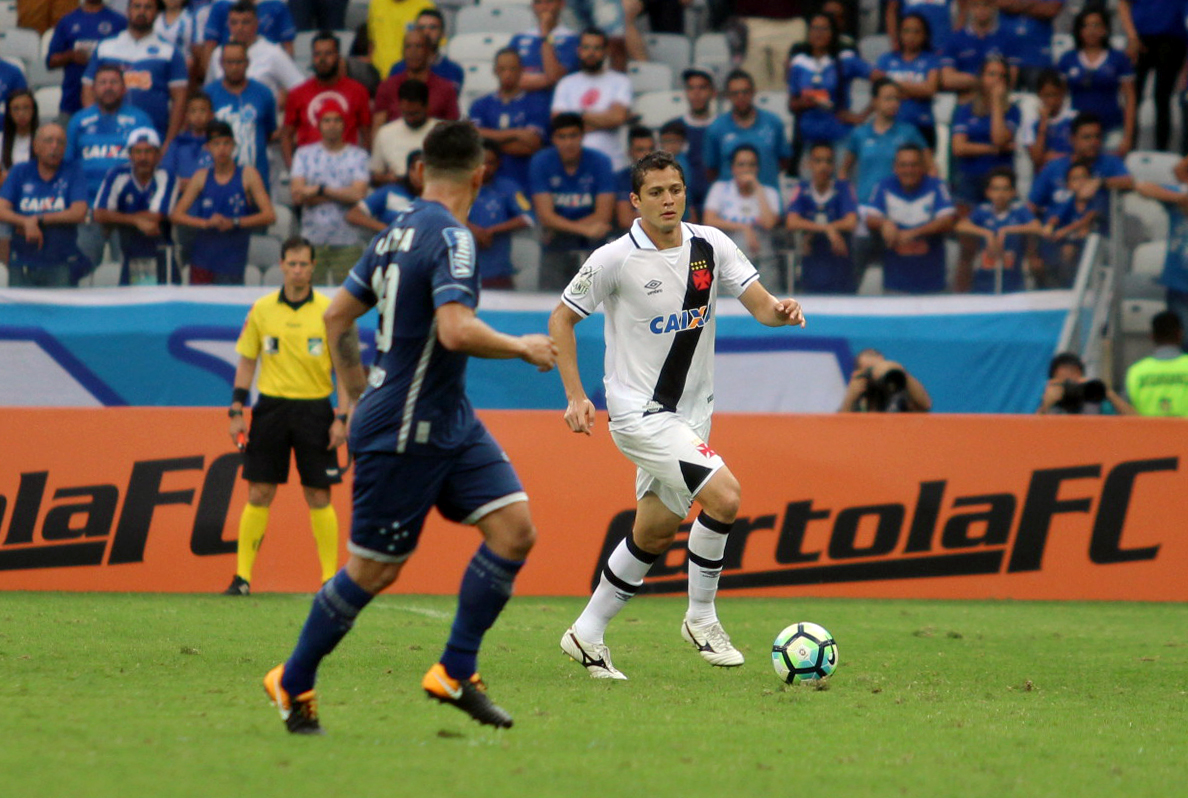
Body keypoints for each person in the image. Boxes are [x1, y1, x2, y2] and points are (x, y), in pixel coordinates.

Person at [263, 120, 559, 733]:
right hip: (404, 424)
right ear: (480, 175)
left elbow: (337, 316)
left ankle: (455, 670)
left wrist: (353, 395)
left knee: (514, 531)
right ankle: (292, 679)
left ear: (421, 171)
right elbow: (455, 330)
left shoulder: (393, 232)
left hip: (447, 417)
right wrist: (521, 347)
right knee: (374, 570)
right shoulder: (454, 237)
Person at [550, 149, 806, 680]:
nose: (668, 200)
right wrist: (575, 396)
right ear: (635, 201)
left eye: (675, 189)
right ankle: (701, 618)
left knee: (653, 532)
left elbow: (762, 305)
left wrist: (782, 312)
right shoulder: (615, 258)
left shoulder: (710, 245)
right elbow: (561, 319)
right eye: (656, 192)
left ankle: (586, 633)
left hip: (692, 416)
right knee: (726, 496)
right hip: (641, 414)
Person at [223, 237, 345, 597]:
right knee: (259, 491)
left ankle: (330, 580)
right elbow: (247, 361)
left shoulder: (329, 311)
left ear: (313, 267)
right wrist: (236, 410)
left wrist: (342, 417)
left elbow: (344, 369)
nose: (298, 270)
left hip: (315, 408)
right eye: (292, 264)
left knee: (318, 494)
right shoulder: (262, 310)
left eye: (304, 264)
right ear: (281, 265)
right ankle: (242, 578)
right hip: (271, 409)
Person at [66, 65, 155, 274]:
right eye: (103, 83)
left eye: (114, 82)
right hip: (89, 212)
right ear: (93, 88)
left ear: (124, 88)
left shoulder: (140, 120)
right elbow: (68, 167)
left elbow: (151, 165)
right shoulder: (78, 121)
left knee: (133, 274)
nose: (108, 87)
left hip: (129, 214)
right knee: (80, 273)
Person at [170, 119, 276, 284]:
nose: (222, 149)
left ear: (233, 145)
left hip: (233, 262)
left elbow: (269, 215)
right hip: (202, 260)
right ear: (208, 147)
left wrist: (235, 222)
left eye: (226, 143)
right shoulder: (201, 177)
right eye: (216, 144)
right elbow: (176, 215)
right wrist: (205, 223)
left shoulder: (248, 175)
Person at [528, 112, 615, 291]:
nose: (568, 143)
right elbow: (545, 217)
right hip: (556, 247)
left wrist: (558, 227)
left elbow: (603, 215)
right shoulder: (541, 162)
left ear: (582, 136)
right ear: (553, 139)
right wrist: (585, 229)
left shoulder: (601, 162)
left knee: (597, 301)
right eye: (562, 137)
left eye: (573, 136)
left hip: (592, 247)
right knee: (548, 301)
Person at [83, 0, 189, 143]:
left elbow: (180, 99)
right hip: (109, 136)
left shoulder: (170, 52)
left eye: (148, 7)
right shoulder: (105, 47)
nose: (142, 11)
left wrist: (169, 144)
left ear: (157, 13)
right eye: (137, 6)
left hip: (153, 137)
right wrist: (96, 123)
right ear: (128, 11)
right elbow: (88, 88)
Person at [0, 123, 89, 287]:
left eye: (60, 142)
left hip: (61, 262)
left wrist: (38, 219)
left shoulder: (74, 171)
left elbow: (79, 212)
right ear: (36, 146)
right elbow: (1, 209)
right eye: (49, 140)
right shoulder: (20, 171)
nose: (55, 146)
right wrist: (25, 222)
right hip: (21, 262)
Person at [290, 103, 370, 284]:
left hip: (348, 240)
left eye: (337, 120)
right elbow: (298, 196)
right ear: (318, 125)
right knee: (311, 293)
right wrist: (343, 195)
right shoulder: (304, 154)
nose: (332, 125)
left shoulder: (358, 156)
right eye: (326, 120)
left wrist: (319, 190)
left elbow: (359, 195)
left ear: (344, 124)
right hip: (312, 239)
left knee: (347, 294)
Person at [862, 143, 956, 294]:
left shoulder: (936, 185)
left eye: (914, 165)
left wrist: (911, 234)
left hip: (932, 285)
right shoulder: (884, 185)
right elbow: (870, 218)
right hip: (895, 284)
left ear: (923, 167)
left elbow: (948, 220)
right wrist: (884, 223)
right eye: (903, 165)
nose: (909, 170)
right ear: (895, 167)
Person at [92, 127, 179, 285]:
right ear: (130, 155)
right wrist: (137, 221)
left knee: (165, 299)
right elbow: (99, 214)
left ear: (158, 155)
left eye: (148, 151)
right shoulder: (117, 174)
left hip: (161, 253)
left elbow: (156, 216)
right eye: (137, 152)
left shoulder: (166, 175)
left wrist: (117, 216)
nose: (143, 157)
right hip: (129, 254)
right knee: (129, 298)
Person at [787, 12, 871, 166]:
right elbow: (792, 104)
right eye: (815, 28)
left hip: (839, 138)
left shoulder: (845, 59)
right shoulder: (799, 62)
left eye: (824, 28)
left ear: (833, 32)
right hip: (809, 140)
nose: (818, 33)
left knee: (841, 180)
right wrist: (807, 102)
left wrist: (861, 116)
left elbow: (882, 82)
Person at [282, 30, 372, 170]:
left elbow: (367, 135)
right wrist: (293, 169)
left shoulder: (358, 91)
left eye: (328, 53)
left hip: (346, 168)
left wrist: (361, 166)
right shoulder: (297, 93)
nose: (322, 59)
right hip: (309, 169)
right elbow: (286, 136)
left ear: (338, 57)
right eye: (317, 54)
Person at [468, 48, 550, 197]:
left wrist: (489, 144)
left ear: (522, 70)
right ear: (495, 71)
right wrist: (517, 133)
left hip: (524, 182)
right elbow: (472, 138)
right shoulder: (480, 105)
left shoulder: (537, 103)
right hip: (486, 187)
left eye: (513, 69)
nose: (507, 74)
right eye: (502, 69)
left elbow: (532, 144)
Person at [1056, 6, 1135, 157]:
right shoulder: (1067, 59)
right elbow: (1059, 96)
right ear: (1079, 30)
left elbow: (1130, 99)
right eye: (1086, 26)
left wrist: (1128, 136)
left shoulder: (1119, 59)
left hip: (1112, 129)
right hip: (1079, 132)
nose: (1091, 31)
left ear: (1105, 29)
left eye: (1096, 25)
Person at [1028, 112, 1133, 227]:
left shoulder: (1110, 162)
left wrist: (1100, 182)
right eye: (1087, 137)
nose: (1093, 142)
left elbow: (1128, 182)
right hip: (1055, 232)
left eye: (1097, 136)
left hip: (1096, 231)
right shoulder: (1054, 167)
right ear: (1072, 139)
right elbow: (1032, 205)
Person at [550, 27, 633, 171]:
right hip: (575, 167)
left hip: (612, 164)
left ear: (606, 51)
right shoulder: (566, 83)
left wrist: (578, 117)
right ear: (579, 50)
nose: (591, 53)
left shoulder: (620, 81)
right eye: (586, 48)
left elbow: (617, 117)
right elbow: (559, 123)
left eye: (597, 48)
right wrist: (605, 120)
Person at [702, 144, 783, 288]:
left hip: (763, 262)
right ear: (733, 168)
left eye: (751, 165)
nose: (746, 169)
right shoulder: (719, 189)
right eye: (741, 164)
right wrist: (744, 228)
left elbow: (769, 223)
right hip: (727, 265)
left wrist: (757, 188)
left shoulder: (769, 193)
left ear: (758, 168)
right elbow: (709, 220)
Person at [841, 78, 928, 211]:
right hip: (865, 205)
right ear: (875, 101)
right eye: (888, 99)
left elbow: (930, 167)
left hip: (899, 206)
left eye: (896, 99)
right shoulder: (860, 134)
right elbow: (843, 170)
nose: (894, 104)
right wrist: (848, 197)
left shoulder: (909, 132)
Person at [785, 141, 859, 294]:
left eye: (828, 161)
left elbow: (851, 221)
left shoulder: (843, 188)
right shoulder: (802, 189)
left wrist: (827, 228)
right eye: (818, 161)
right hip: (811, 265)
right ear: (809, 164)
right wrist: (827, 229)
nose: (823, 166)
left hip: (840, 267)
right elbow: (791, 222)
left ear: (834, 165)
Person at [949, 55, 1019, 213]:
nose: (997, 80)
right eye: (991, 74)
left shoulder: (1013, 110)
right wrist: (994, 149)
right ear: (981, 78)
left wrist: (996, 103)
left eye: (1002, 76)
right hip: (970, 176)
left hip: (1000, 179)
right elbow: (959, 148)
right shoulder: (966, 109)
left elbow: (999, 139)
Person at [954, 166, 1040, 293]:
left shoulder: (1018, 211)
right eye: (996, 189)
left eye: (1005, 189)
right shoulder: (982, 211)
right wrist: (987, 234)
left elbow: (1036, 226)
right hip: (983, 283)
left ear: (1013, 192)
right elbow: (961, 226)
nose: (1000, 194)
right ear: (988, 192)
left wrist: (1007, 230)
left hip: (1013, 283)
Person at [206, 41, 277, 191]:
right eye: (229, 62)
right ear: (221, 64)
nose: (234, 67)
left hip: (257, 182)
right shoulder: (208, 94)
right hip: (217, 182)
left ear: (247, 63)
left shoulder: (264, 93)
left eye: (239, 62)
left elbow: (269, 133)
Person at [705, 69, 790, 190]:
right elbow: (711, 170)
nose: (741, 97)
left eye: (745, 92)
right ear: (728, 96)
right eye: (735, 93)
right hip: (730, 199)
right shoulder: (716, 128)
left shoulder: (773, 123)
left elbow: (784, 160)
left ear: (753, 92)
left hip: (766, 196)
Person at [1119, 0, 1185, 152]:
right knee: (1133, 97)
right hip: (1141, 38)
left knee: (1162, 98)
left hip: (1172, 38)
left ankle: (1162, 152)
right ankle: (1129, 146)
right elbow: (1123, 3)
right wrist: (1132, 36)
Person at [205, 2, 305, 104]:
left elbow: (300, 87)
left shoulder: (273, 53)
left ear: (256, 24)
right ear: (228, 25)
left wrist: (285, 94)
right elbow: (208, 91)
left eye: (245, 22)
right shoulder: (218, 54)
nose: (239, 28)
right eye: (234, 23)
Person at [467, 140, 533, 290]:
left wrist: (491, 231)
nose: (484, 167)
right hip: (463, 275)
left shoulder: (509, 187)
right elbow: (442, 214)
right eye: (479, 162)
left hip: (499, 275)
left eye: (490, 163)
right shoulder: (458, 187)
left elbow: (528, 218)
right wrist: (472, 229)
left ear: (498, 164)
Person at [46, 0, 127, 119]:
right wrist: (71, 56)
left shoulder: (119, 21)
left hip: (111, 105)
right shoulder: (67, 21)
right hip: (72, 102)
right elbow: (50, 61)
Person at [873, 13, 941, 148]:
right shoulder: (886, 59)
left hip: (922, 125)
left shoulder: (931, 59)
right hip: (890, 126)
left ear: (925, 35)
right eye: (906, 31)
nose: (911, 36)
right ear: (899, 34)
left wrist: (892, 84)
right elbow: (878, 88)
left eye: (917, 32)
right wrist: (915, 91)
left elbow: (930, 90)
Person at [373, 28, 459, 129]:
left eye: (418, 46)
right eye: (408, 46)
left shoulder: (446, 89)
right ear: (402, 52)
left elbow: (453, 129)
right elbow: (378, 127)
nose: (413, 51)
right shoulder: (387, 87)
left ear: (428, 51)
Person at [1136, 169, 1188, 333]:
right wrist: (1180, 199)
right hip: (1179, 284)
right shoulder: (1181, 192)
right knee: (1183, 337)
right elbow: (1143, 186)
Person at [1042, 161, 1107, 286]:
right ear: (1068, 185)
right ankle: (1066, 287)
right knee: (1064, 249)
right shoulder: (1070, 202)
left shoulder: (1098, 199)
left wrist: (1064, 231)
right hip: (1075, 245)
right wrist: (1050, 226)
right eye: (1075, 179)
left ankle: (1089, 285)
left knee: (1077, 240)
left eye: (1084, 177)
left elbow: (1087, 219)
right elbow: (1057, 217)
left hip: (1098, 245)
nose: (1081, 182)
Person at [663, 68, 716, 217]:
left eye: (702, 88)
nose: (696, 93)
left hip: (716, 205)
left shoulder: (721, 127)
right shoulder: (672, 129)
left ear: (713, 92)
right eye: (691, 88)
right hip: (683, 208)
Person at [509, 0, 581, 106]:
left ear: (561, 4)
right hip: (522, 107)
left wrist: (545, 33)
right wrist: (549, 79)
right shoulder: (519, 38)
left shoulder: (572, 39)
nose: (543, 7)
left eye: (549, 2)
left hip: (556, 106)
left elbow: (555, 76)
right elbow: (511, 78)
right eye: (538, 2)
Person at [370, 80, 439, 185]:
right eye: (406, 113)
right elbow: (376, 174)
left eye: (415, 113)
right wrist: (387, 178)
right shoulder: (385, 133)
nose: (410, 119)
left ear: (427, 107)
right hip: (397, 187)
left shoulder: (442, 132)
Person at [940, 0, 1015, 93]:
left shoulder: (1008, 38)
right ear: (969, 8)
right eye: (976, 5)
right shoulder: (955, 39)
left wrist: (966, 80)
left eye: (986, 5)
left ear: (994, 7)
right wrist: (984, 80)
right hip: (965, 97)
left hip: (996, 96)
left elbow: (1011, 79)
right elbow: (947, 79)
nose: (981, 9)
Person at [1125, 311, 1188, 417]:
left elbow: (1125, 411)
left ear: (1152, 336)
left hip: (1146, 428)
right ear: (1180, 334)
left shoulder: (1136, 371)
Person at [387, 8, 464, 93]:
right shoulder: (398, 69)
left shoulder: (454, 71)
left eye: (432, 27)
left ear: (442, 33)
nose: (427, 32)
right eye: (421, 27)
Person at [347, 150, 424, 233]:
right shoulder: (391, 191)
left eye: (422, 169)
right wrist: (387, 230)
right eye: (413, 168)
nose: (416, 174)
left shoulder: (433, 200)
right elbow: (353, 214)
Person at [1038, 351, 1134, 415]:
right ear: (1053, 381)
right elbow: (1034, 430)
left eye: (1073, 376)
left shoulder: (1093, 399)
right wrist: (1046, 405)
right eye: (1065, 381)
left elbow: (1136, 422)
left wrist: (1108, 393)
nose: (1070, 385)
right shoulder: (1050, 401)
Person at [998, 0, 1064, 91]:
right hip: (1006, 56)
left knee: (1040, 97)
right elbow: (1000, 3)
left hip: (1037, 58)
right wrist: (1033, 5)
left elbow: (1051, 9)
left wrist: (1017, 5)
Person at [838, 348, 931, 412]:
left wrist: (901, 373)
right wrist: (851, 396)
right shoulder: (859, 399)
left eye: (878, 368)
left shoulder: (895, 391)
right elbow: (840, 426)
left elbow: (925, 405)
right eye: (869, 370)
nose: (874, 374)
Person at [1020, 69, 1075, 173]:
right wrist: (1043, 122)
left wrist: (1054, 157)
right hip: (1044, 175)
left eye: (1055, 94)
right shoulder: (1031, 124)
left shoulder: (1074, 119)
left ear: (1062, 94)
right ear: (1039, 95)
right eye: (1046, 95)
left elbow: (1080, 155)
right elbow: (1037, 159)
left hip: (1070, 173)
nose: (1051, 100)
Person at [202, 0, 296, 60]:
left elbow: (288, 45)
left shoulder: (277, 5)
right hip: (229, 61)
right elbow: (210, 45)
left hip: (267, 62)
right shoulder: (221, 6)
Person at [368, 0, 436, 78]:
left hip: (409, 76)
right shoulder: (376, 3)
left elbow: (433, 46)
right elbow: (371, 41)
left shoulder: (425, 6)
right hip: (378, 75)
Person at [162, 92, 215, 190]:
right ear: (186, 116)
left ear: (211, 115)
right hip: (180, 192)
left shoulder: (215, 143)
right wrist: (178, 182)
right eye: (193, 111)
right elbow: (166, 170)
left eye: (202, 110)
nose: (198, 115)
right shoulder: (178, 143)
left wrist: (197, 184)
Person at [615, 125, 656, 230]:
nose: (647, 155)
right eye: (640, 150)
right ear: (630, 152)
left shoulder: (667, 177)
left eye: (651, 149)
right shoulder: (622, 179)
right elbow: (625, 220)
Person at [885, 0, 961, 55]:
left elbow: (963, 9)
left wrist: (955, 39)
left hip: (941, 45)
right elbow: (891, 11)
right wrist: (895, 40)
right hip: (911, 45)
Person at [0, 89, 37, 187]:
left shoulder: (42, 138)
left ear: (33, 110)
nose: (21, 113)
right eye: (16, 109)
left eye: (26, 108)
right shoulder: (1, 140)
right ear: (9, 113)